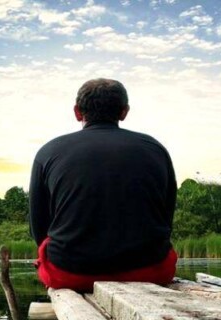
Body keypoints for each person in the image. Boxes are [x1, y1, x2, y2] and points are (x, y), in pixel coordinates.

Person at [29, 78, 177, 292]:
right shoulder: (155, 149)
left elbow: (38, 228)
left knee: (46, 251)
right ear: (124, 112)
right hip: (149, 271)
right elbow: (166, 217)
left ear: (77, 112)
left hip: (70, 272)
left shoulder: (48, 152)